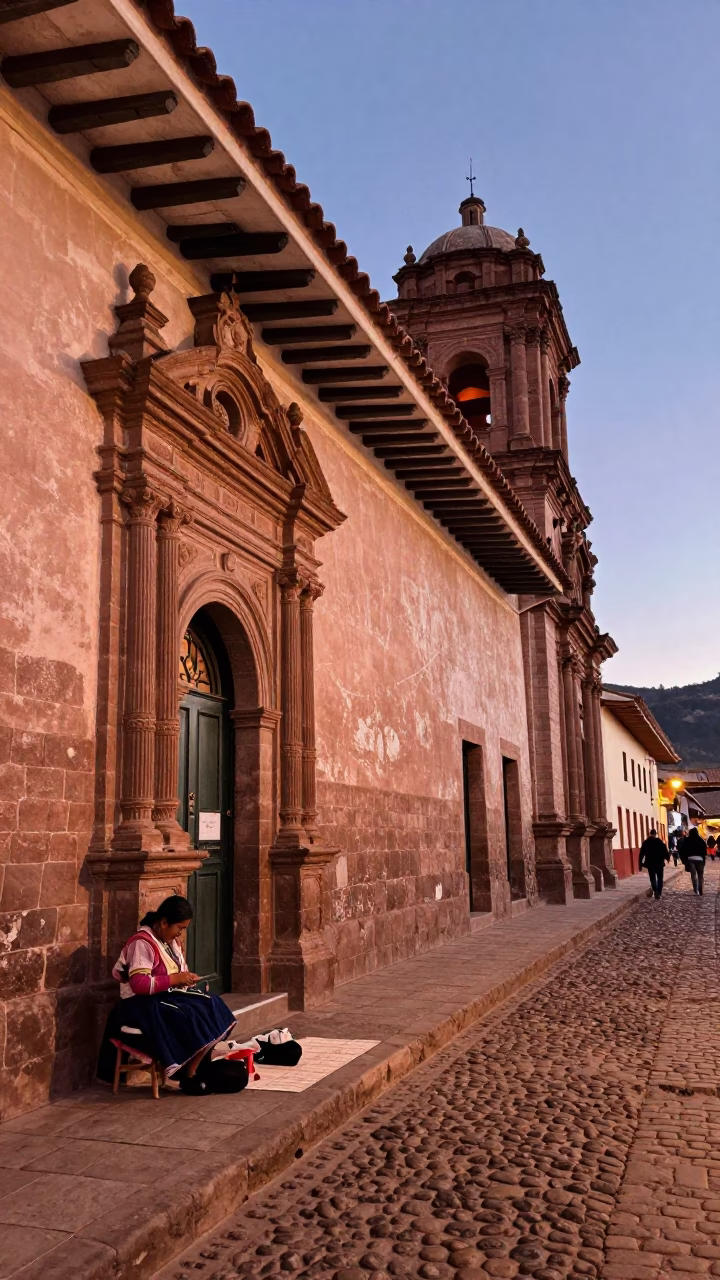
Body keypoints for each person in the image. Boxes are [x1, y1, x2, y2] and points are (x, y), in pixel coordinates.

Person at [97, 895, 236, 1095]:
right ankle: (186, 1073)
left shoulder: (171, 943)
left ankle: (191, 1069)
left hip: (164, 997)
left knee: (212, 1003)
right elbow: (140, 984)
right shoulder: (142, 943)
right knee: (186, 1014)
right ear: (163, 923)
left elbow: (177, 972)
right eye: (179, 928)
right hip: (140, 1005)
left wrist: (186, 979)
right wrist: (175, 979)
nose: (180, 934)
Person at [638, 827, 670, 899]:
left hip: (650, 863)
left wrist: (640, 864)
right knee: (660, 878)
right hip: (659, 863)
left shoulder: (646, 842)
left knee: (652, 878)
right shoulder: (659, 841)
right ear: (655, 834)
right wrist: (667, 858)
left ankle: (655, 890)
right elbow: (665, 850)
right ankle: (658, 893)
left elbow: (641, 854)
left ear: (650, 834)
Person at [685, 827, 707, 896]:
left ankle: (695, 889)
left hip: (690, 859)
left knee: (693, 876)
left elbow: (683, 850)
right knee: (700, 875)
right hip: (700, 859)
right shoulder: (701, 840)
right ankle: (700, 890)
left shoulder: (687, 840)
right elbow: (705, 851)